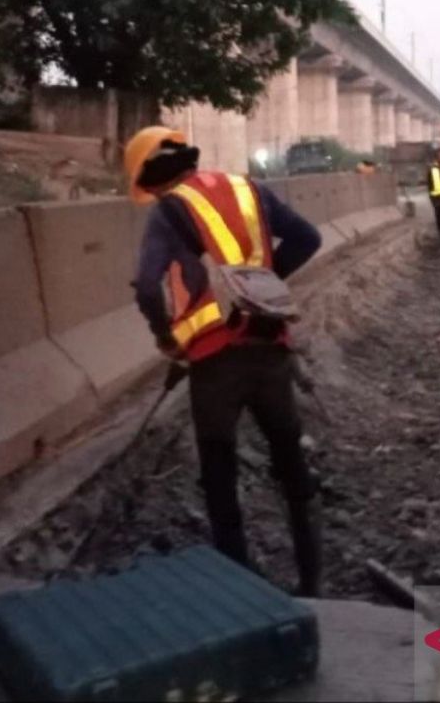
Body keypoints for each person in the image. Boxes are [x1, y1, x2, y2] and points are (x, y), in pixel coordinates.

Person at [126, 126, 325, 597]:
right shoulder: (247, 188)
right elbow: (308, 237)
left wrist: (166, 340)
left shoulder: (169, 209)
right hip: (270, 346)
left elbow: (147, 285)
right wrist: (260, 285)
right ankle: (312, 580)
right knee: (290, 459)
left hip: (216, 361)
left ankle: (240, 587)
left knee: (219, 469)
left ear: (153, 178)